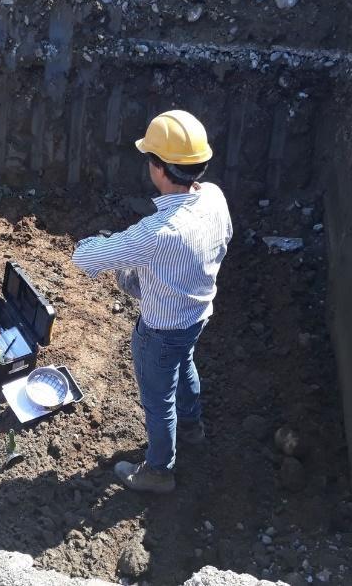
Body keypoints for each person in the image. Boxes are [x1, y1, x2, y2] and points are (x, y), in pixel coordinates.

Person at [72, 110, 232, 493]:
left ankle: (159, 470)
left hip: (160, 330)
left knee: (158, 401)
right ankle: (192, 428)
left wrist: (95, 241)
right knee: (184, 365)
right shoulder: (214, 198)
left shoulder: (158, 233)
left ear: (159, 168)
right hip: (198, 314)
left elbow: (85, 259)